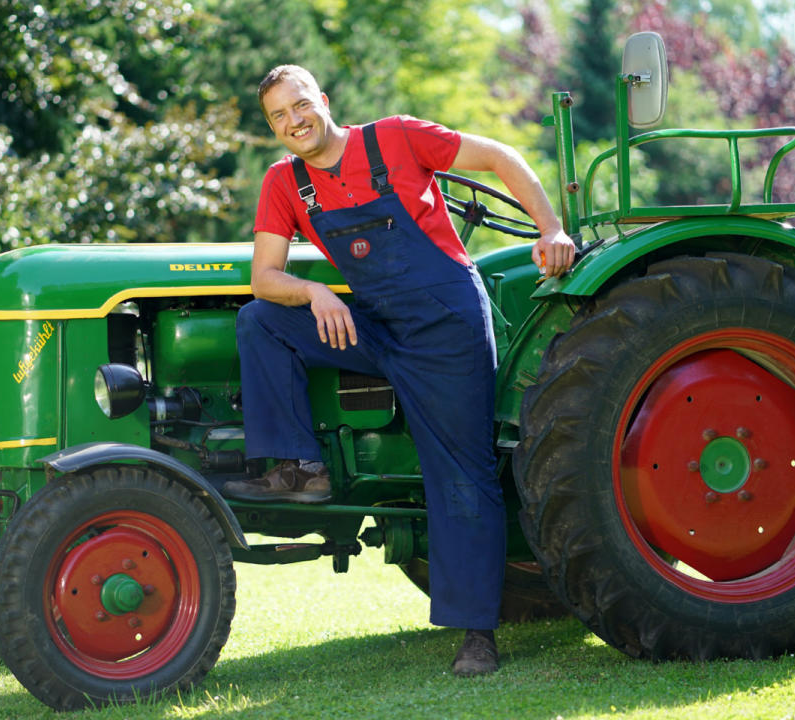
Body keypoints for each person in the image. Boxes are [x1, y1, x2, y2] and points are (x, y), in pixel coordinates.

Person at [221, 64, 575, 677]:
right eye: (278, 116)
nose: (293, 122)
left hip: (446, 326)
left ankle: (477, 634)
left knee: (461, 473)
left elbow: (500, 156)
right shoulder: (287, 182)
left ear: (323, 101)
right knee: (261, 320)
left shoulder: (394, 138)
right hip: (375, 325)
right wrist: (314, 293)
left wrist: (552, 228)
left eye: (300, 105)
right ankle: (298, 468)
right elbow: (265, 278)